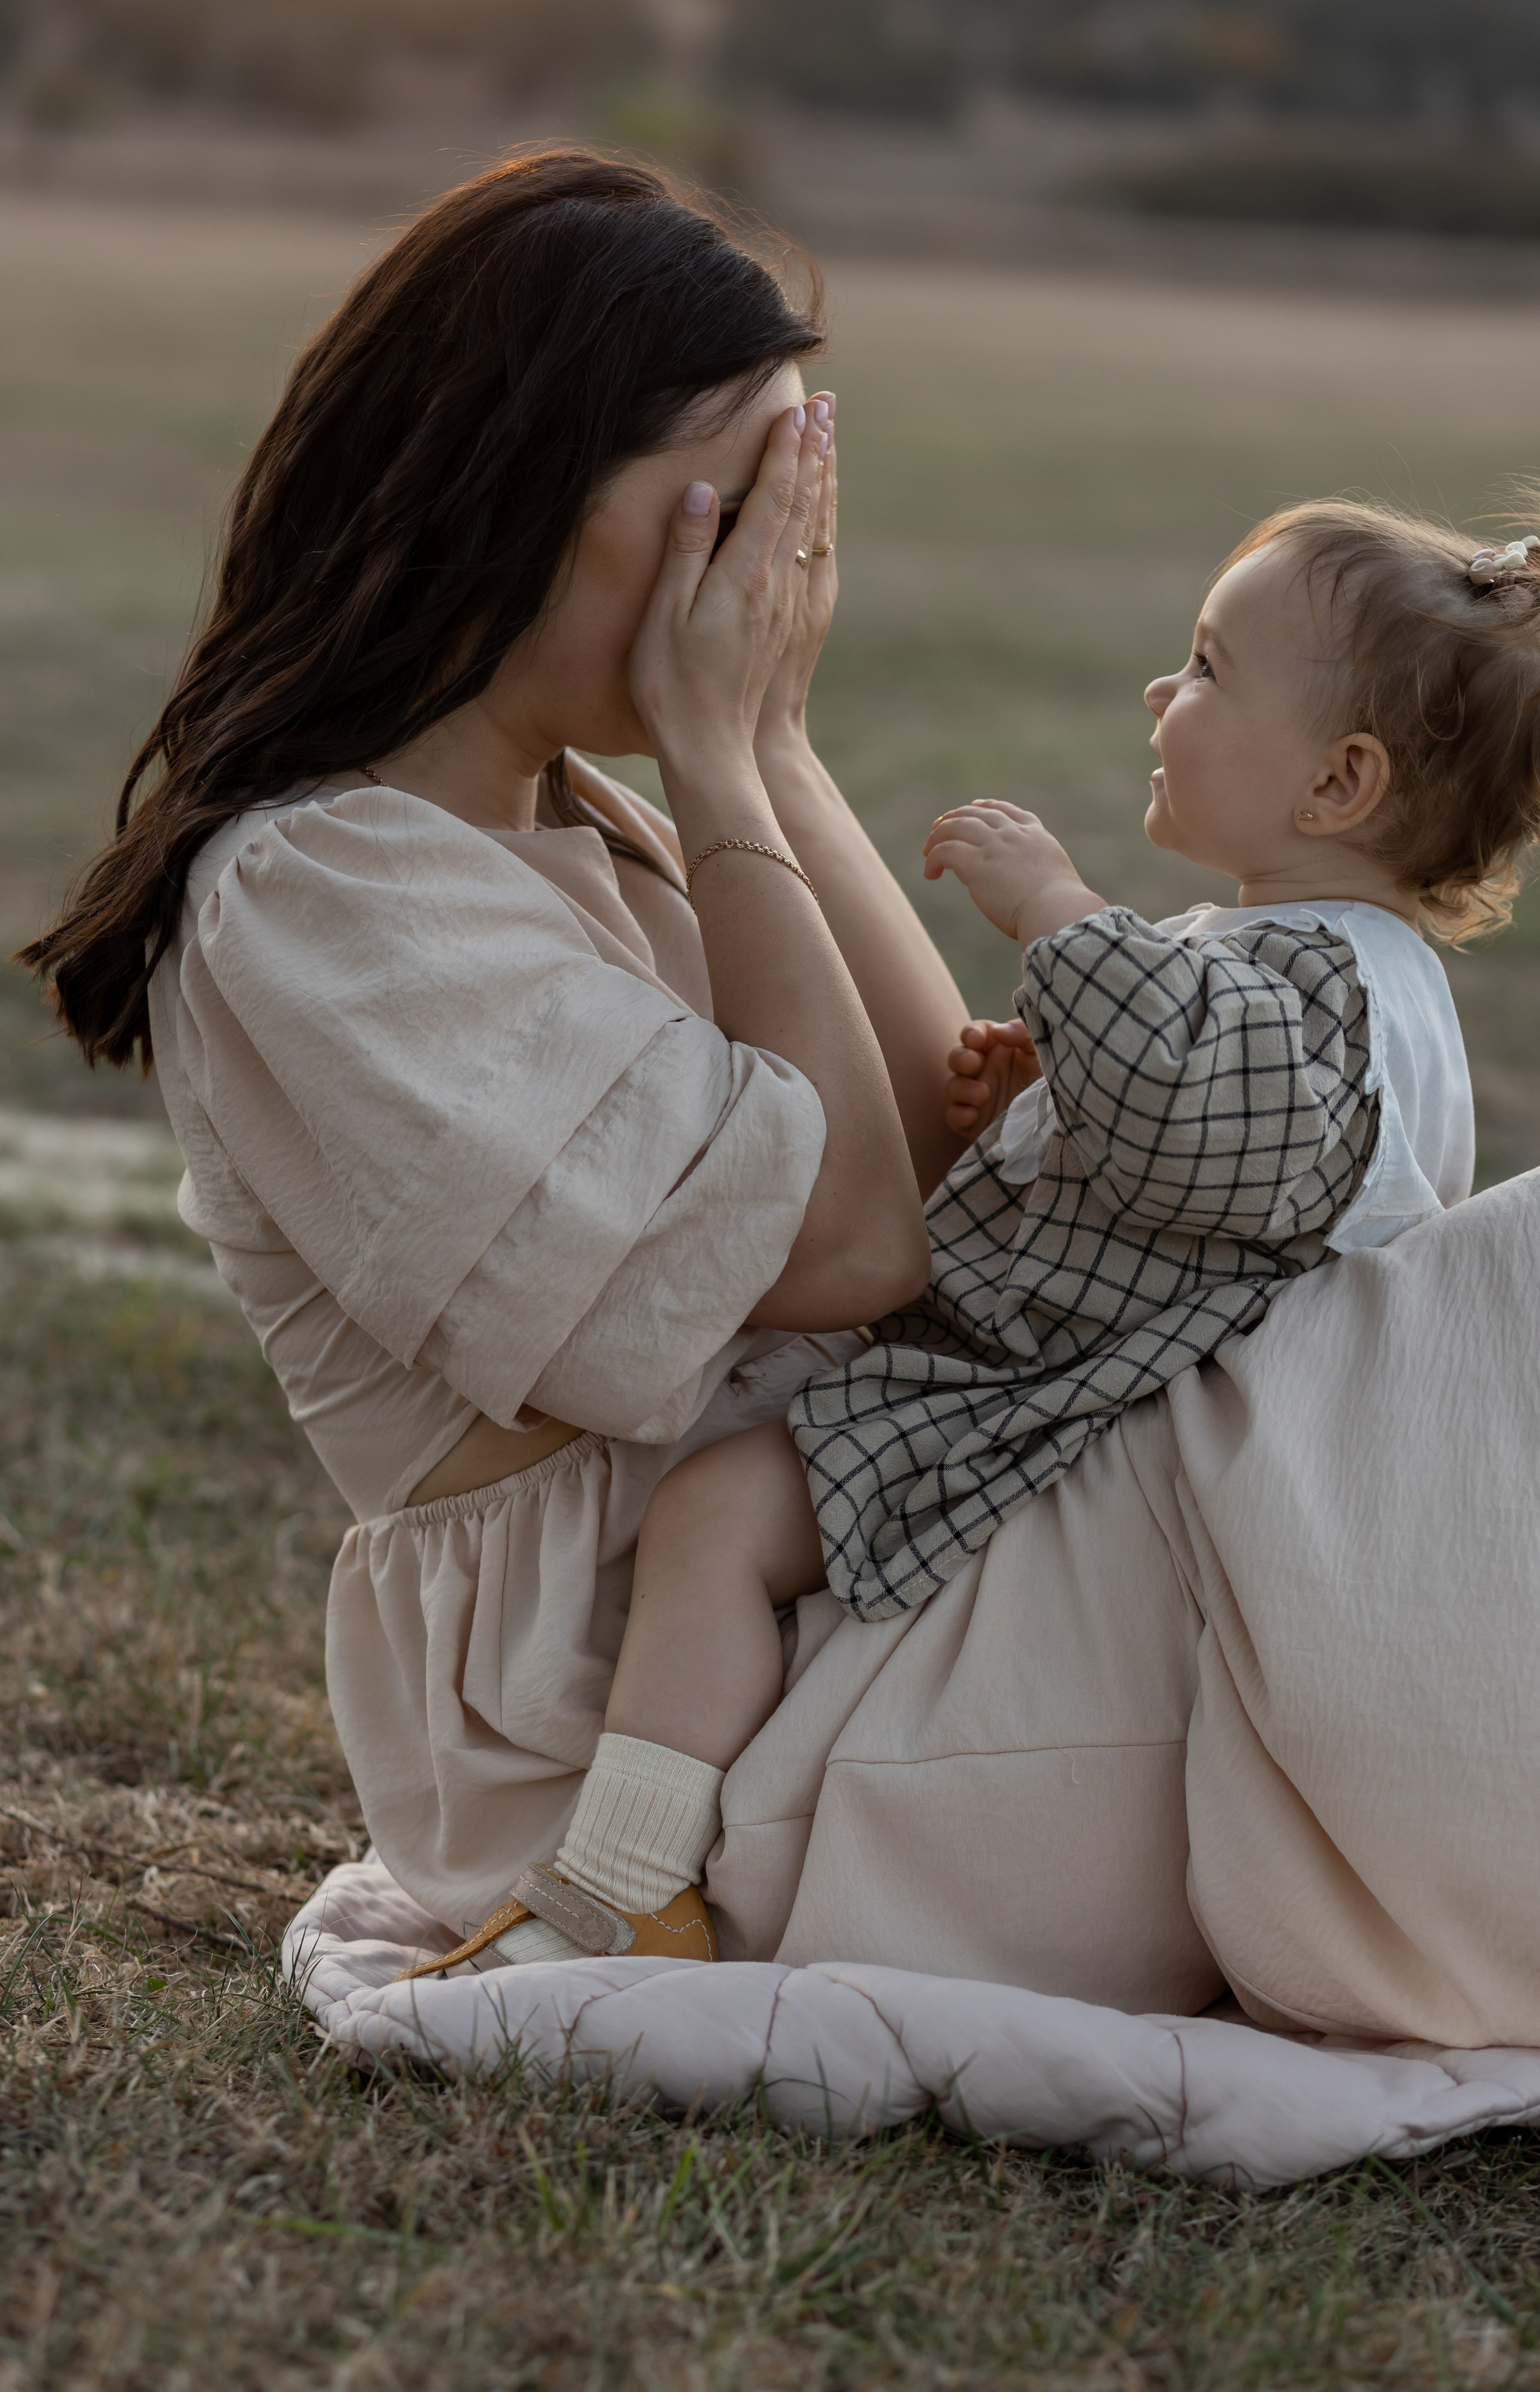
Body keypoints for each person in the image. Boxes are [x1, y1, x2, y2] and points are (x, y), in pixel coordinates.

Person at [449, 468, 1540, 1981]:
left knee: (717, 1515)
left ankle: (624, 1877)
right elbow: (1193, 1146)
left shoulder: (1332, 984)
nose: (1161, 687)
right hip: (1108, 1402)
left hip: (1078, 1427)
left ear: (1336, 787)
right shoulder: (1319, 973)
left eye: (1206, 667)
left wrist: (1060, 916)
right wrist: (1032, 1087)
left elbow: (1202, 1110)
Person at [19, 151, 969, 1965]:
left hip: (839, 1603)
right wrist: (724, 760)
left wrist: (761, 739)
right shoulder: (324, 900)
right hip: (633, 1725)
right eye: (732, 502)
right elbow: (859, 1253)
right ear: (517, 493)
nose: (772, 561)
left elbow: (931, 1152)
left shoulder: (605, 821)